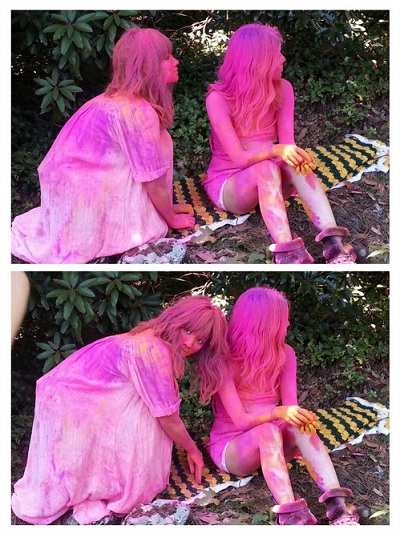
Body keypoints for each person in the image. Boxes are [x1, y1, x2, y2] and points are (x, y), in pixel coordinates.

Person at [11, 294, 228, 525]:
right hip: (68, 401)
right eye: (188, 330)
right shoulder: (153, 352)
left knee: (145, 411)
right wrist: (193, 450)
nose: (190, 343)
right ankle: (109, 485)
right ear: (176, 320)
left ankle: (98, 482)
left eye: (200, 341)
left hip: (69, 393)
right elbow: (169, 420)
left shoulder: (154, 335)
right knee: (150, 419)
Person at [11, 27, 195, 264]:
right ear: (147, 67)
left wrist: (168, 206)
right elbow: (152, 179)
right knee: (151, 223)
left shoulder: (114, 100)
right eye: (167, 57)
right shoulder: (137, 112)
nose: (176, 61)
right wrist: (171, 218)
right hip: (84, 202)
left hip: (68, 195)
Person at [203, 23, 356, 264]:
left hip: (271, 179)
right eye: (277, 54)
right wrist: (276, 150)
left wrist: (296, 156)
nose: (283, 58)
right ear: (258, 62)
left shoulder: (283, 88)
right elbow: (239, 159)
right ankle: (287, 253)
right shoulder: (218, 99)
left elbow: (287, 144)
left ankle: (334, 242)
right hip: (231, 185)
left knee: (295, 165)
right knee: (266, 168)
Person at [207, 287, 360, 525]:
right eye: (282, 319)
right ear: (263, 325)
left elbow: (290, 407)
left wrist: (300, 417)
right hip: (234, 448)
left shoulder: (285, 354)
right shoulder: (225, 362)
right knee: (267, 430)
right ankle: (290, 514)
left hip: (274, 445)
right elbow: (241, 421)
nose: (287, 323)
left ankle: (337, 504)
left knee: (299, 427)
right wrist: (278, 412)